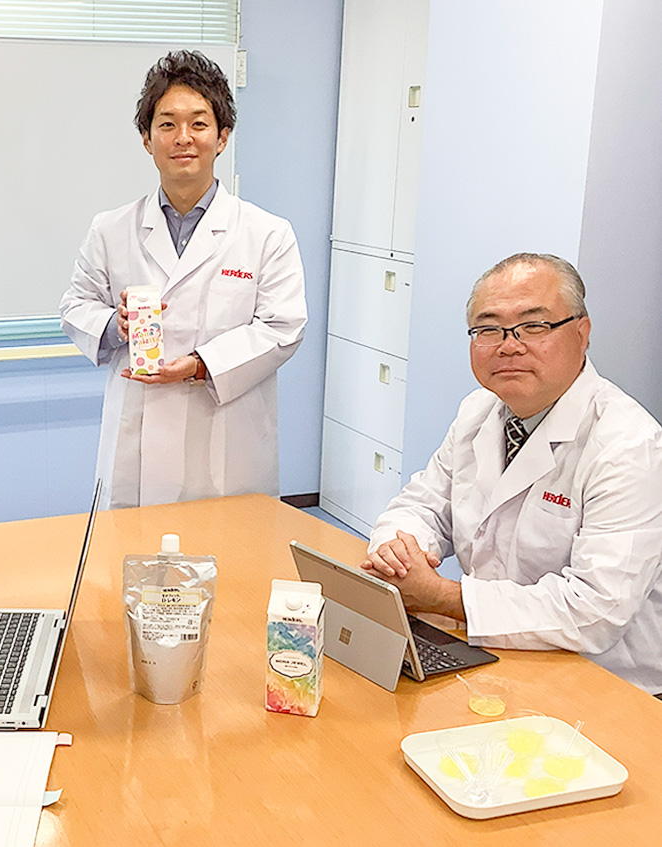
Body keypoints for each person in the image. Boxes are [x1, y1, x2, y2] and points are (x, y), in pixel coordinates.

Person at [362, 253, 662, 695]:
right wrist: (399, 554)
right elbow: (424, 505)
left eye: (534, 326)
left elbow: (595, 611)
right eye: (488, 329)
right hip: (497, 655)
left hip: (605, 683)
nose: (509, 345)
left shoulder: (629, 445)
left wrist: (440, 596)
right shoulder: (479, 411)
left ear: (582, 333)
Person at [59, 50, 308, 509]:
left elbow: (282, 328)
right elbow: (76, 306)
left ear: (223, 136)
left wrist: (200, 365)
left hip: (227, 445)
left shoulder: (267, 233)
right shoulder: (110, 229)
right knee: (133, 550)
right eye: (167, 124)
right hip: (136, 443)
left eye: (199, 123)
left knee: (230, 548)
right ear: (146, 139)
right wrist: (116, 324)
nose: (183, 138)